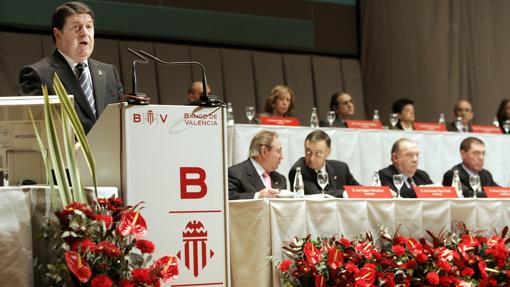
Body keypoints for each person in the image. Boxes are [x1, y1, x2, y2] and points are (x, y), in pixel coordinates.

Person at [18, 2, 123, 134]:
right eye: (76, 27)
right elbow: (31, 132)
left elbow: (121, 122)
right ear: (57, 34)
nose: (85, 33)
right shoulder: (38, 74)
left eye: (89, 26)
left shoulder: (109, 72)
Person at [288, 130, 359, 197]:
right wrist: (344, 193)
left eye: (318, 153)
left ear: (328, 152)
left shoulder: (341, 168)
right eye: (308, 152)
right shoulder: (298, 171)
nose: (312, 158)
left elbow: (358, 190)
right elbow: (316, 195)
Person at [228, 130, 287, 200]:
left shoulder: (280, 179)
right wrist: (258, 196)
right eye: (278, 151)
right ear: (264, 151)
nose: (282, 157)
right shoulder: (235, 174)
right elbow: (229, 198)